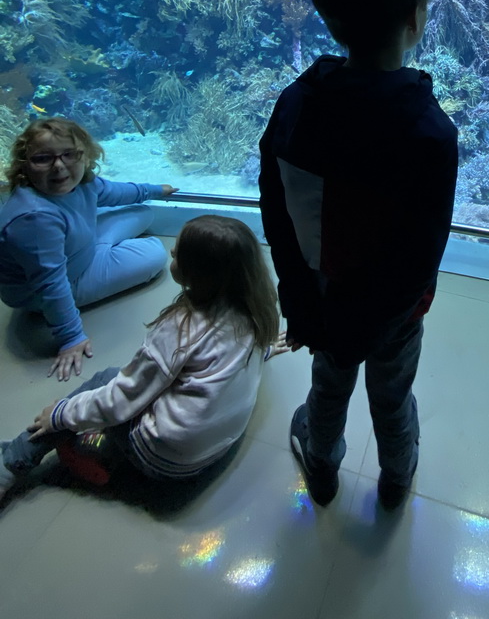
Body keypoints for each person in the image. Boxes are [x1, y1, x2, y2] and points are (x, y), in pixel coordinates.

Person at [258, 0, 458, 510]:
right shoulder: (428, 131)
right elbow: (425, 248)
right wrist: (401, 306)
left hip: (320, 297)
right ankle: (396, 479)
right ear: (417, 17)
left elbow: (276, 210)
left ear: (327, 16)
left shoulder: (295, 108)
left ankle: (322, 467)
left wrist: (297, 294)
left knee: (327, 388)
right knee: (392, 395)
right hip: (393, 314)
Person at [0, 215, 289, 504]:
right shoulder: (254, 313)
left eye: (178, 254)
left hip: (165, 461)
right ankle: (101, 454)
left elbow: (122, 398)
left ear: (196, 273)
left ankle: (14, 462)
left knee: (106, 379)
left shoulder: (181, 328)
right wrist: (262, 352)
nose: (171, 254)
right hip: (214, 449)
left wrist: (59, 415)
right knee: (158, 386)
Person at [0, 117, 177, 381]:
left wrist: (152, 190)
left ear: (85, 156)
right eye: (43, 158)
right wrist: (71, 337)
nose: (59, 166)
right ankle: (107, 255)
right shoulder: (34, 217)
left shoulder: (82, 183)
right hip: (63, 282)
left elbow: (112, 192)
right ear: (25, 166)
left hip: (78, 247)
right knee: (155, 252)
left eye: (69, 155)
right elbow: (51, 283)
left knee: (143, 212)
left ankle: (106, 251)